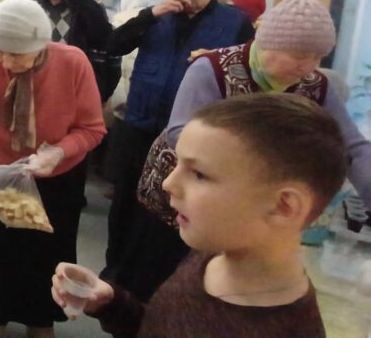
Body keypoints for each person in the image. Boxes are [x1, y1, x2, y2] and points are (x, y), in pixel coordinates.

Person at [53, 94, 346, 338]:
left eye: (199, 174)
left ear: (284, 206)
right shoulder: (213, 255)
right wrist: (113, 304)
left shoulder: (284, 330)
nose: (168, 183)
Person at [128, 0, 371, 286]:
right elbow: (180, 132)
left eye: (318, 57)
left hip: (243, 207)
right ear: (266, 43)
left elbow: (352, 146)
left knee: (223, 284)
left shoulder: (317, 86)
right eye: (299, 55)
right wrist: (261, 159)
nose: (308, 66)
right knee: (160, 274)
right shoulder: (214, 68)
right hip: (185, 194)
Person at [0, 0, 105, 338]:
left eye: (16, 54)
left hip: (58, 175)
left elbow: (92, 129)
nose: (6, 62)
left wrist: (59, 152)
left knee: (47, 253)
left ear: (39, 44)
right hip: (4, 168)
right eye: (0, 52)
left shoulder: (73, 62)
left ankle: (40, 320)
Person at [103, 0, 253, 299]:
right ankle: (114, 276)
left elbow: (247, 74)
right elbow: (113, 45)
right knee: (125, 204)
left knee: (174, 211)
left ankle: (163, 288)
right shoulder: (155, 16)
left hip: (193, 135)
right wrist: (150, 14)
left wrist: (217, 62)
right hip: (139, 125)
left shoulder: (235, 22)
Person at [19, 0, 113, 98]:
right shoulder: (24, 1)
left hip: (68, 78)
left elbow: (103, 38)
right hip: (29, 75)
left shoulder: (83, 5)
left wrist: (84, 1)